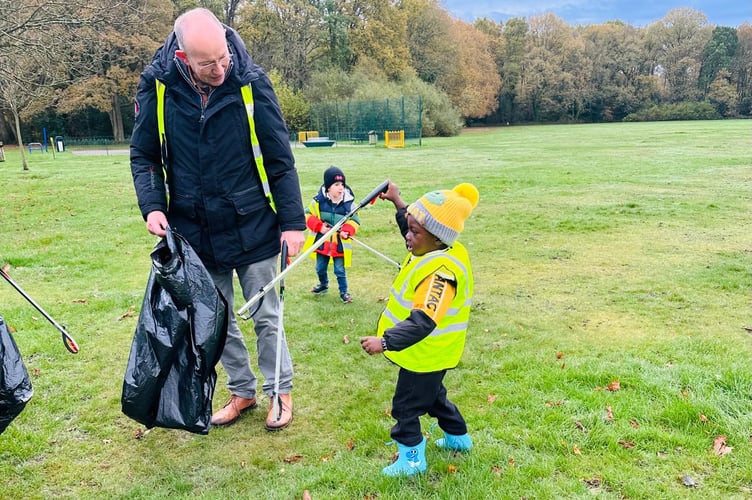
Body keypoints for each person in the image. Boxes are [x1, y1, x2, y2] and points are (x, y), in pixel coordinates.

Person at [129, 8, 306, 431]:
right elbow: (144, 156)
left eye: (224, 57)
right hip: (192, 229)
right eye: (208, 63)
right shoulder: (157, 87)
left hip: (253, 223)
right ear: (183, 58)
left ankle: (279, 392)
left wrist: (293, 222)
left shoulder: (250, 82)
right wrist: (153, 206)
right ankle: (241, 391)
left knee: (267, 313)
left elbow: (280, 159)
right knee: (213, 318)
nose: (220, 68)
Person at [360, 180, 479, 476]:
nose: (407, 237)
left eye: (414, 232)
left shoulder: (439, 275)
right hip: (433, 355)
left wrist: (385, 342)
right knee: (435, 398)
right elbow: (414, 227)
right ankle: (459, 439)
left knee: (406, 408)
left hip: (425, 354)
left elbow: (423, 321)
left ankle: (412, 460)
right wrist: (399, 203)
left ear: (437, 239)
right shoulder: (434, 247)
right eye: (409, 228)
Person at [304, 166, 360, 304]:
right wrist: (319, 226)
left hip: (339, 244)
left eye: (342, 185)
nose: (340, 188)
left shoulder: (349, 204)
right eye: (336, 185)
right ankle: (323, 285)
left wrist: (347, 230)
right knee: (320, 267)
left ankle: (344, 292)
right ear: (328, 187)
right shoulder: (318, 202)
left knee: (339, 270)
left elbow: (355, 220)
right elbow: (307, 214)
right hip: (322, 242)